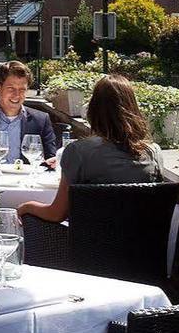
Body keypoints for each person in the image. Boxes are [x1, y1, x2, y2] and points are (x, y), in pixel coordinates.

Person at [17, 76, 160, 223]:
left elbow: (56, 214)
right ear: (134, 108)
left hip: (90, 244)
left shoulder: (79, 152)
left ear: (93, 109)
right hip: (144, 243)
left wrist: (28, 207)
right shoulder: (153, 152)